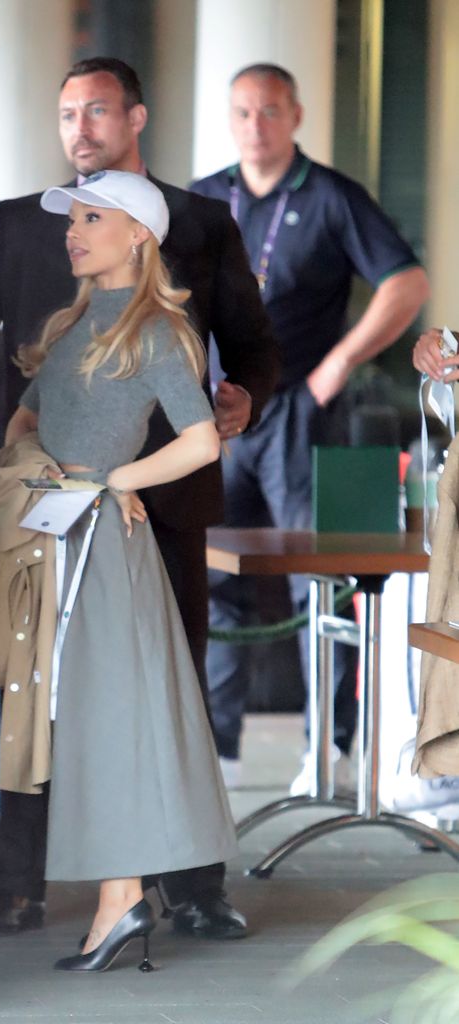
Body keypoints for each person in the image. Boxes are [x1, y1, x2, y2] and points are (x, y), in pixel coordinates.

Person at [0, 56, 278, 943]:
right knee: (36, 686)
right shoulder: (23, 224)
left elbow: (250, 344)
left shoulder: (201, 222)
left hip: (158, 510)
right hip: (46, 507)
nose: (79, 127)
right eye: (66, 114)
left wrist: (244, 395)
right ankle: (16, 883)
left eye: (96, 110)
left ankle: (192, 885)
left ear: (135, 117)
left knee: (164, 693)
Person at [4, 168, 236, 971]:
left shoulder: (158, 331)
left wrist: (113, 481)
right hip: (54, 533)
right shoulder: (75, 323)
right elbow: (28, 415)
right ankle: (122, 900)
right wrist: (46, 467)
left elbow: (202, 440)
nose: (73, 230)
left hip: (101, 540)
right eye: (72, 217)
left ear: (138, 233)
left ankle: (120, 901)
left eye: (91, 217)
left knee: (112, 724)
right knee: (85, 725)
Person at [191, 63, 430, 793]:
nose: (254, 126)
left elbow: (407, 283)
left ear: (294, 115)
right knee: (209, 575)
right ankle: (216, 749)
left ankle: (325, 746)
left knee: (314, 582)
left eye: (268, 112)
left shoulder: (330, 196)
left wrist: (338, 363)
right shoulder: (204, 197)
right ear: (227, 120)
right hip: (216, 412)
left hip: (296, 409)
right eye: (241, 113)